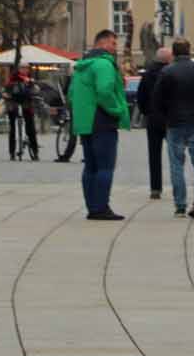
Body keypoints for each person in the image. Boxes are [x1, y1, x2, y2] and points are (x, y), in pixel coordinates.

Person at [69, 29, 130, 220]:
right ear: (102, 43)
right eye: (113, 43)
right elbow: (104, 91)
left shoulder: (81, 66)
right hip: (103, 120)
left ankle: (92, 207)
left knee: (90, 167)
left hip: (85, 122)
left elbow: (71, 94)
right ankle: (101, 207)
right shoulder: (103, 64)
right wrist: (118, 109)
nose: (115, 47)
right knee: (105, 167)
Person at [151, 39, 194, 215]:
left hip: (175, 123)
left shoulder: (167, 71)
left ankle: (180, 204)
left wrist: (165, 115)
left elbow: (157, 98)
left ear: (173, 52)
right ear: (190, 51)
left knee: (176, 164)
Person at [135, 44, 172, 200]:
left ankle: (155, 188)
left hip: (153, 119)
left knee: (154, 154)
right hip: (171, 119)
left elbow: (140, 96)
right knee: (175, 154)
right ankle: (178, 184)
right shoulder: (170, 73)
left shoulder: (148, 74)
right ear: (168, 59)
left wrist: (147, 112)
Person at [5, 68, 39, 160]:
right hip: (14, 103)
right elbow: (6, 88)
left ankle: (35, 152)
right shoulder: (13, 78)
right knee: (12, 128)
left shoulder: (30, 79)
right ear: (19, 69)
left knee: (30, 128)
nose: (25, 70)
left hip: (26, 104)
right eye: (22, 68)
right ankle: (12, 152)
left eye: (26, 68)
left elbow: (35, 90)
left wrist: (32, 85)